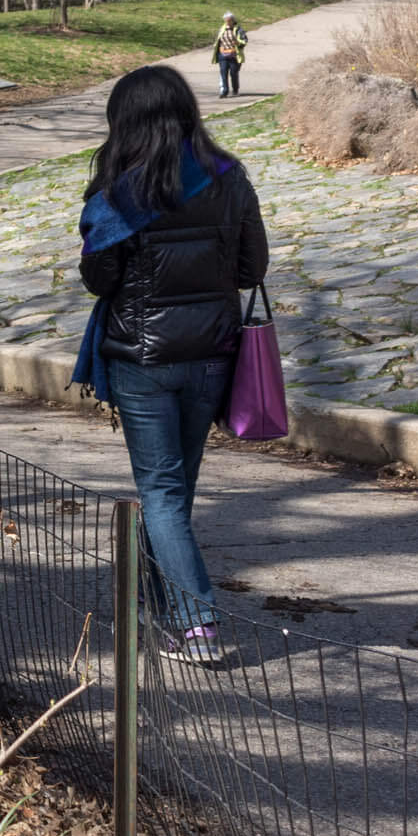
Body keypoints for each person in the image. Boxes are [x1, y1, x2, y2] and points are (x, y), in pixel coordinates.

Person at [73, 64, 268, 666]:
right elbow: (250, 269)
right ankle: (157, 608)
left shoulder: (116, 191)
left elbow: (98, 280)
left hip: (141, 359)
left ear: (124, 121)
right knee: (173, 495)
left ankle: (196, 624)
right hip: (211, 356)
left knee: (160, 494)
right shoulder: (228, 176)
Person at [211, 12, 248, 98]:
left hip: (234, 55)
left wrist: (238, 43)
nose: (227, 22)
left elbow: (245, 41)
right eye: (226, 21)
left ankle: (235, 89)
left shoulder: (238, 29)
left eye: (229, 20)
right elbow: (217, 40)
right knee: (223, 73)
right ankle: (224, 91)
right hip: (222, 55)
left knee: (233, 73)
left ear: (233, 20)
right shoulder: (222, 29)